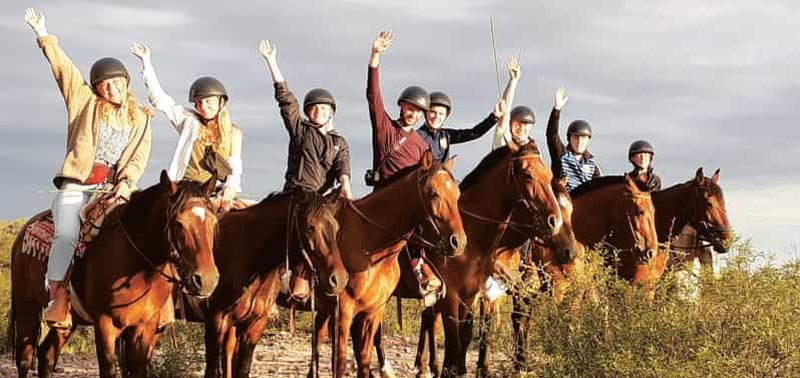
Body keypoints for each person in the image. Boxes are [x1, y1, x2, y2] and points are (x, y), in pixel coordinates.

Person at [25, 8, 153, 329]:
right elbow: (64, 70)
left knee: (137, 234)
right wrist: (44, 34)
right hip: (77, 185)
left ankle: (150, 300)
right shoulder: (84, 102)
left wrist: (127, 182)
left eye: (116, 83)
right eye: (104, 85)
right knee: (67, 235)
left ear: (126, 83)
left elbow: (137, 157)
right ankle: (57, 295)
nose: (111, 89)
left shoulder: (140, 117)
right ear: (97, 88)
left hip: (113, 189)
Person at [367, 30, 439, 300]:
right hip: (381, 201)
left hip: (407, 207)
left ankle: (422, 270)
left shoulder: (422, 146)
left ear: (422, 115)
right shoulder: (385, 128)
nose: (412, 113)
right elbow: (373, 97)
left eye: (417, 111)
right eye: (409, 107)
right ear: (401, 106)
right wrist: (375, 56)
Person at [130, 43, 243, 211]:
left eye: (208, 101)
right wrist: (146, 63)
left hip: (214, 193)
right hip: (185, 189)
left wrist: (229, 190)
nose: (203, 106)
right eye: (198, 103)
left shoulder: (234, 133)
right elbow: (160, 100)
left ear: (221, 101)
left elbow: (235, 170)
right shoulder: (189, 121)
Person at [258, 39, 352, 198]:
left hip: (321, 198)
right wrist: (271, 61)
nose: (318, 111)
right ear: (307, 113)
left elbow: (342, 166)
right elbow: (286, 101)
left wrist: (346, 186)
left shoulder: (339, 142)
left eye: (323, 108)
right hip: (296, 195)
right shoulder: (300, 130)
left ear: (331, 112)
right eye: (313, 108)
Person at [417, 90, 505, 162]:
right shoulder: (417, 137)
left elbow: (474, 133)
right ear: (426, 113)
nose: (436, 117)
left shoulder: (446, 135)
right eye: (433, 112)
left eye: (441, 114)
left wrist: (494, 117)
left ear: (445, 116)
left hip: (444, 180)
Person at [545, 86, 602, 192]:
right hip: (564, 203)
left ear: (588, 140)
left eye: (583, 138)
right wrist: (556, 110)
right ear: (569, 138)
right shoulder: (561, 155)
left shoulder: (593, 167)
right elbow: (551, 135)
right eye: (576, 137)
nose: (579, 142)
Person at [491, 56, 540, 152]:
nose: (522, 127)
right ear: (510, 123)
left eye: (526, 124)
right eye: (518, 123)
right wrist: (513, 81)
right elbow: (504, 109)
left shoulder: (534, 147)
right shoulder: (503, 137)